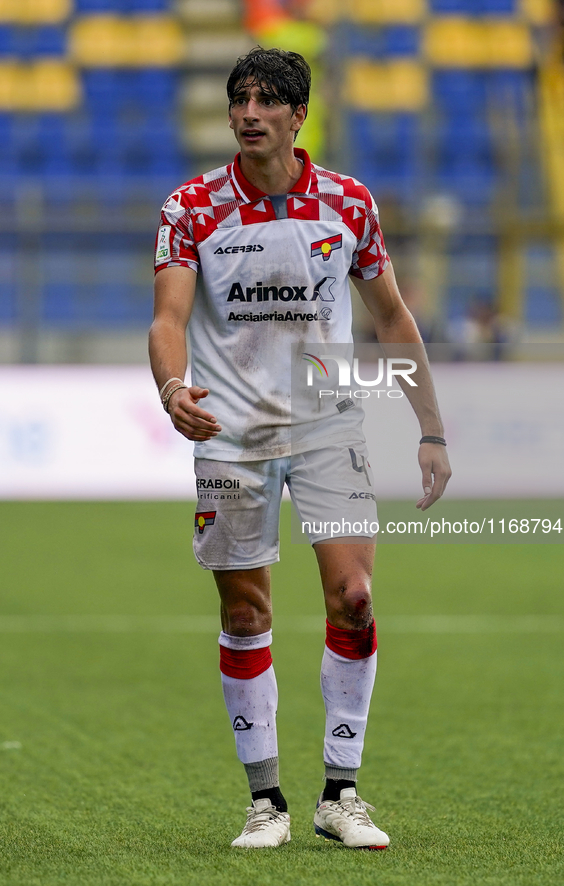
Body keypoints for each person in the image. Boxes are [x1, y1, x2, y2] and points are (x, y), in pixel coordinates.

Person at [149, 47, 451, 850]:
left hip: (328, 427)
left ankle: (340, 794)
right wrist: (173, 390)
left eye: (266, 99)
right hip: (233, 437)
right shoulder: (191, 208)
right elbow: (168, 320)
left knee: (354, 600)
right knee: (246, 611)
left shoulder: (347, 204)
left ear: (296, 114)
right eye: (238, 98)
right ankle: (266, 802)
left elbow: (391, 319)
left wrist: (430, 428)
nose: (249, 111)